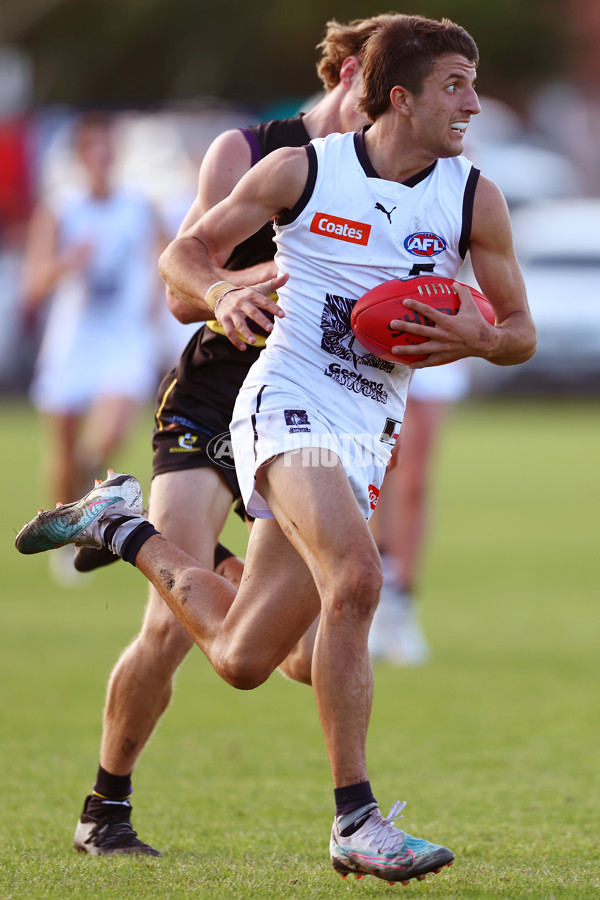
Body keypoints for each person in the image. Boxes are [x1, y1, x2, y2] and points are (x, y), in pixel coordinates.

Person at [16, 14, 537, 885]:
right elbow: (183, 255)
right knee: (359, 578)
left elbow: (519, 330)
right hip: (277, 401)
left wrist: (475, 339)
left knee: (247, 659)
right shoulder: (294, 166)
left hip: (365, 430)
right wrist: (221, 289)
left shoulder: (474, 195)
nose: (475, 103)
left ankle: (121, 527)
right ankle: (355, 821)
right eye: (456, 84)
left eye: (474, 82)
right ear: (397, 96)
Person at [60, 16, 383, 858]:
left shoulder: (395, 171)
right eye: (379, 101)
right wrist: (248, 285)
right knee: (168, 627)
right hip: (219, 392)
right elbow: (179, 288)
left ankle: (165, 549)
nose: (388, 122)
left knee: (308, 658)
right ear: (350, 74)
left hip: (317, 415)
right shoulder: (254, 152)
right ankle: (106, 811)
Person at [21, 111, 162, 583]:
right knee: (61, 449)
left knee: (106, 436)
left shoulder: (138, 207)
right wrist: (67, 263)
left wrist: (155, 300)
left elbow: (169, 259)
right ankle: (63, 532)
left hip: (122, 337)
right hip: (74, 338)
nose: (102, 159)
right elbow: (34, 283)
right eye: (93, 150)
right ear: (81, 157)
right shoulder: (61, 210)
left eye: (109, 149)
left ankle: (87, 499)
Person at [368, 360, 471, 665]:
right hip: (379, 334)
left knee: (415, 481)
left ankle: (401, 605)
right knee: (379, 466)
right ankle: (374, 595)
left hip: (431, 330)